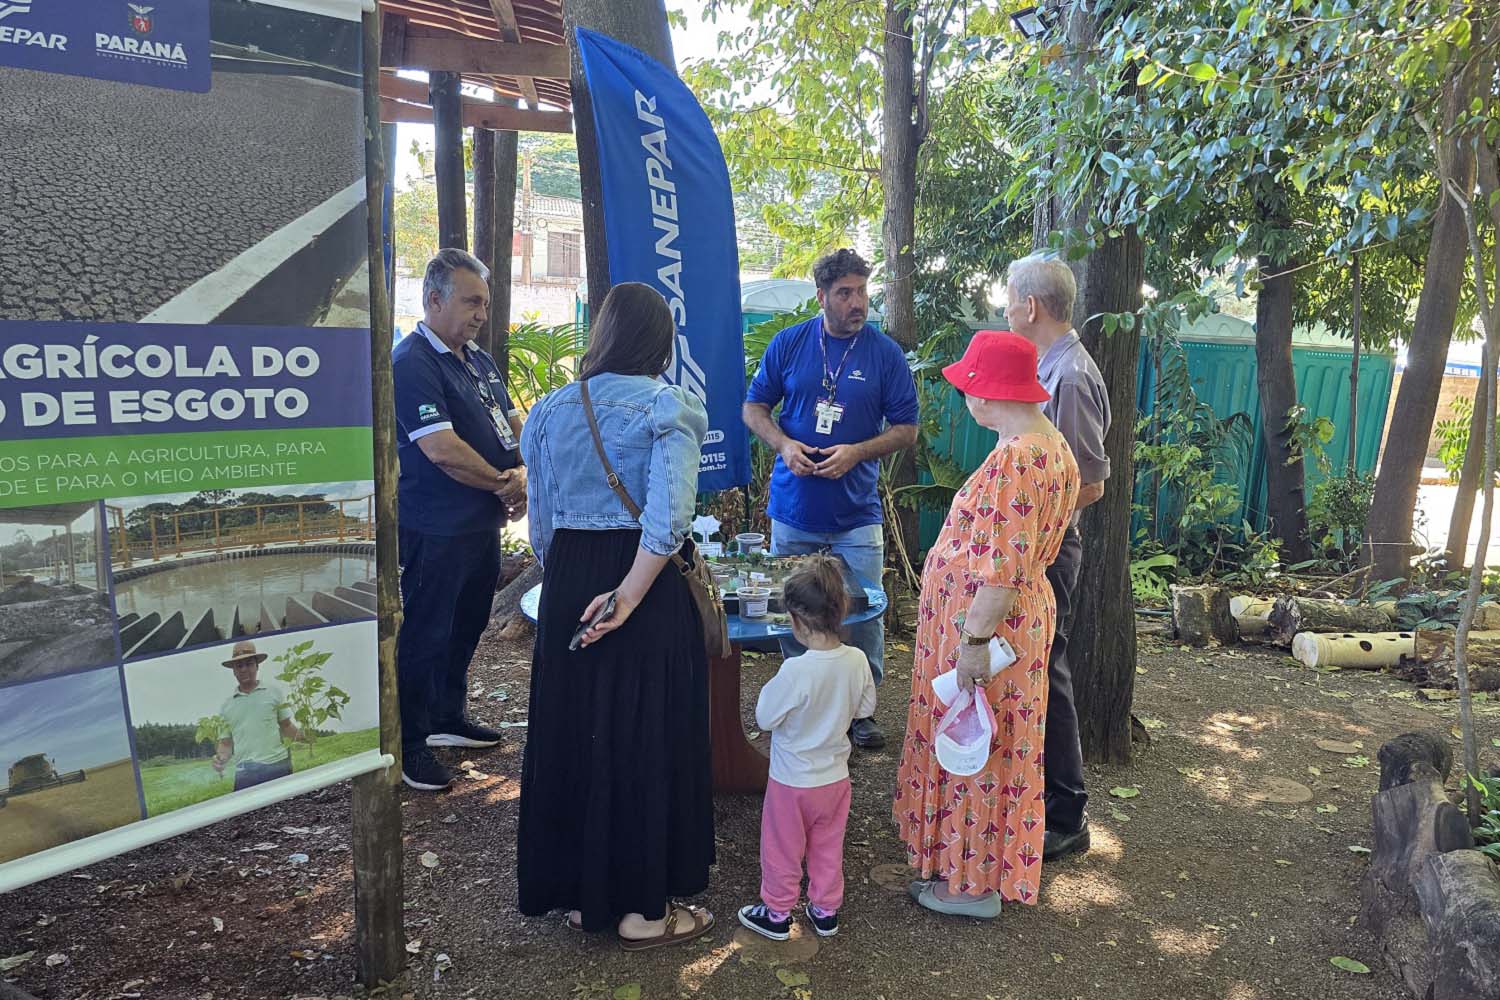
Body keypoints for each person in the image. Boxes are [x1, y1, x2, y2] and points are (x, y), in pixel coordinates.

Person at [516, 282, 716, 950]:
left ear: (601, 334)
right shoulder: (670, 408)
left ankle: (583, 897)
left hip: (571, 576)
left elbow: (540, 527)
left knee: (579, 730)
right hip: (645, 584)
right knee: (643, 732)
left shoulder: (546, 412)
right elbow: (668, 520)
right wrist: (628, 593)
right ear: (660, 343)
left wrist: (576, 580)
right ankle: (643, 912)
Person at [893, 330, 1078, 917]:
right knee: (993, 744)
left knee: (974, 745)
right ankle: (969, 871)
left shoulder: (1016, 459)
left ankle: (969, 885)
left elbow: (999, 571)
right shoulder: (1051, 447)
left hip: (991, 631)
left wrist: (971, 645)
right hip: (1011, 623)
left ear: (983, 393)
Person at [742, 249, 919, 750]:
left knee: (862, 613)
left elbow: (906, 429)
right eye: (845, 292)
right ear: (821, 297)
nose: (857, 301)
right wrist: (785, 445)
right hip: (795, 508)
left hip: (855, 512)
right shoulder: (790, 343)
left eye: (862, 290)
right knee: (789, 609)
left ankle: (861, 711)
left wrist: (857, 451)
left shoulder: (885, 354)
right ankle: (802, 694)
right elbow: (754, 408)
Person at [392, 248, 528, 792]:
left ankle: (447, 716)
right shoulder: (411, 364)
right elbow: (442, 450)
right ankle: (408, 744)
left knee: (467, 623)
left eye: (485, 304)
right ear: (433, 299)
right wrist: (505, 482)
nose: (480, 313)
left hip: (480, 523)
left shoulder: (476, 358)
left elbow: (512, 420)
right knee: (426, 631)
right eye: (471, 301)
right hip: (435, 525)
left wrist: (522, 470)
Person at [1003, 254, 1111, 862]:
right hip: (1039, 544)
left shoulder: (1068, 374)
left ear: (1032, 307)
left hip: (1050, 547)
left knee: (1051, 671)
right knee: (1043, 668)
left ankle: (1067, 813)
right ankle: (1047, 800)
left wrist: (1031, 532)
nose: (1006, 309)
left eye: (1009, 300)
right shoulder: (1053, 365)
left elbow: (1087, 481)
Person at [737, 555, 877, 942]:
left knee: (782, 847)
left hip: (791, 782)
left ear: (796, 621)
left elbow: (765, 717)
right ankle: (825, 909)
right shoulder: (857, 660)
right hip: (835, 780)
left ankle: (778, 912)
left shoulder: (796, 670)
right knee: (828, 846)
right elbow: (866, 708)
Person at [211, 641, 302, 791]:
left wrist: (306, 738)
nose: (244, 669)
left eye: (249, 664)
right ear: (233, 670)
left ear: (257, 666)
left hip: (277, 765)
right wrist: (220, 759)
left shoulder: (273, 692)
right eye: (239, 666)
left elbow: (286, 726)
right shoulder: (227, 706)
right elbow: (226, 743)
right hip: (245, 772)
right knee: (247, 814)